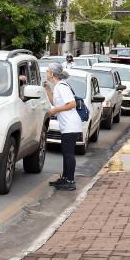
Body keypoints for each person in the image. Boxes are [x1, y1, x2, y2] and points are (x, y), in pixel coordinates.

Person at [46, 62, 80, 191]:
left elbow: (72, 104)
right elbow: (54, 101)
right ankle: (65, 178)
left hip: (71, 125)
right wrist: (47, 89)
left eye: (48, 71)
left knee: (68, 153)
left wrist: (55, 110)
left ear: (53, 74)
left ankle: (70, 181)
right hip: (67, 125)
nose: (46, 73)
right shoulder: (58, 86)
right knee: (66, 153)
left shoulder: (62, 86)